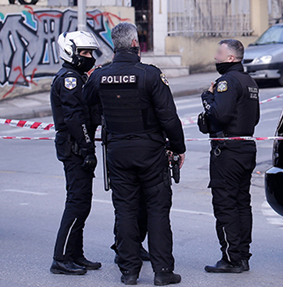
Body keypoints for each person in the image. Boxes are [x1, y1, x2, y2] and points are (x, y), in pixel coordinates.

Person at [83, 22, 185, 286]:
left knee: (125, 210)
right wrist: (178, 147)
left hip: (117, 152)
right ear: (134, 44)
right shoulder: (149, 75)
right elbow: (169, 117)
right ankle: (163, 271)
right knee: (157, 210)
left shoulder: (99, 76)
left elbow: (86, 105)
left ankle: (129, 271)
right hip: (150, 151)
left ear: (114, 45)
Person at [198, 39, 260, 274]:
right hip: (246, 148)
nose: (215, 57)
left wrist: (207, 98)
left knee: (225, 204)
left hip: (227, 151)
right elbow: (255, 118)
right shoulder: (249, 81)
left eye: (219, 53)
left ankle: (231, 258)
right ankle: (242, 256)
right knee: (242, 203)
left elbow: (219, 115)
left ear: (231, 58)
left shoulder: (227, 82)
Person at [50, 31, 101, 276]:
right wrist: (87, 147)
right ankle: (60, 258)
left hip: (78, 145)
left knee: (83, 203)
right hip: (74, 147)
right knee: (76, 203)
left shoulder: (78, 77)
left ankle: (75, 254)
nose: (89, 56)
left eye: (90, 52)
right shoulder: (69, 79)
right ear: (71, 53)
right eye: (84, 52)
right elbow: (74, 118)